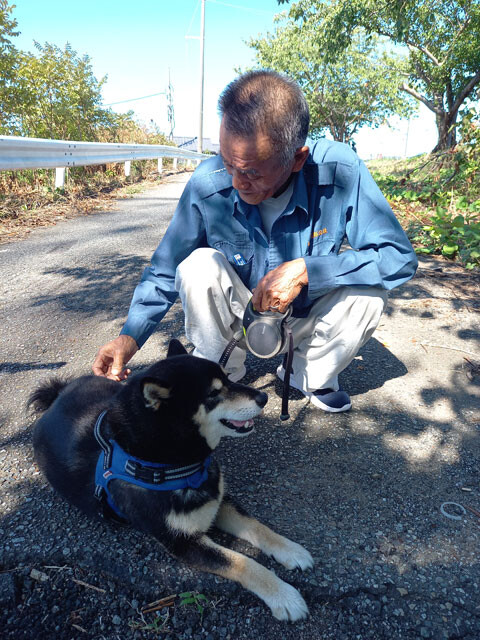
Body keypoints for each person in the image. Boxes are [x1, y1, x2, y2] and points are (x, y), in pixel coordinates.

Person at [93, 70, 417, 413]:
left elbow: (399, 258)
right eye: (228, 163)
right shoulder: (207, 184)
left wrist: (309, 270)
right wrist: (130, 336)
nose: (236, 182)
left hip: (306, 316)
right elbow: (164, 270)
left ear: (297, 159)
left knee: (369, 289)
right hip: (239, 318)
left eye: (250, 172)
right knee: (196, 267)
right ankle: (219, 374)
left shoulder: (340, 171)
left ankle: (307, 374)